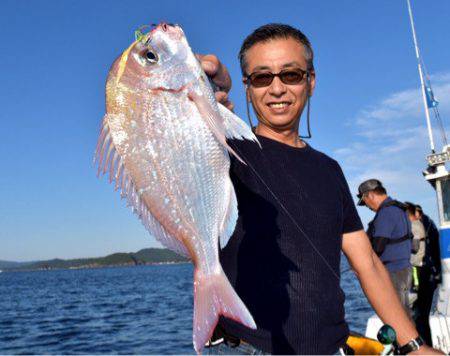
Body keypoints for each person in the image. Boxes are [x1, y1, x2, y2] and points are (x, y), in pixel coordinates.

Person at [198, 23, 440, 354]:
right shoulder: (224, 150)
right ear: (247, 87)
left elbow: (366, 261)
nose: (277, 88)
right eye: (261, 77)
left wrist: (413, 344)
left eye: (291, 75)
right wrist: (207, 87)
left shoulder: (330, 170)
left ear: (311, 81)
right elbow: (174, 130)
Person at [357, 179, 413, 312]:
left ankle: (405, 334)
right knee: (404, 312)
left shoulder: (386, 212)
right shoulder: (398, 209)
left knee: (396, 314)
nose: (368, 207)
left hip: (393, 273)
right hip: (403, 270)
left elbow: (378, 247)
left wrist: (361, 265)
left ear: (370, 195)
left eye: (365, 203)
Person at [413, 205, 442, 346]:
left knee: (420, 316)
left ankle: (424, 346)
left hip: (423, 275)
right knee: (422, 316)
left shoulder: (421, 227)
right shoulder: (430, 225)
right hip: (430, 275)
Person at [405, 202, 426, 293]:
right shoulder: (418, 223)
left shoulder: (414, 226)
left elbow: (415, 247)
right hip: (418, 261)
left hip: (416, 262)